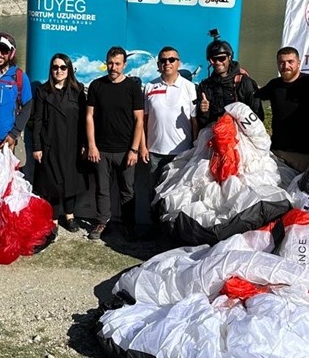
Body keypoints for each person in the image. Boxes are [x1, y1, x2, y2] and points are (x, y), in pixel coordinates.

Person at [85, 46, 144, 241]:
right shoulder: (96, 86)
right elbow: (89, 117)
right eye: (110, 63)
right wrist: (92, 145)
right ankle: (102, 222)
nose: (113, 67)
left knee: (127, 191)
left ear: (124, 65)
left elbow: (139, 121)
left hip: (126, 150)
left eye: (118, 64)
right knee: (102, 189)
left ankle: (129, 226)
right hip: (101, 149)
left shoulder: (133, 88)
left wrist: (134, 149)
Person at [138, 46, 197, 233]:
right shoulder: (149, 87)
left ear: (178, 63)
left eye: (171, 60)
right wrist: (142, 146)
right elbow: (143, 120)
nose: (167, 63)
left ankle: (174, 231)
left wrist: (195, 147)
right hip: (154, 151)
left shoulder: (190, 88)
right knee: (154, 192)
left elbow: (194, 121)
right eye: (163, 60)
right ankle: (154, 228)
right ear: (158, 64)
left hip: (182, 152)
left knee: (178, 194)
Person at [31, 52, 87, 231]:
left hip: (73, 144)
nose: (59, 70)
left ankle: (70, 216)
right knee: (52, 183)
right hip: (50, 144)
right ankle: (54, 218)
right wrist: (37, 146)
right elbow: (37, 120)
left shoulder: (78, 90)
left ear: (69, 69)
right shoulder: (43, 90)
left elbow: (85, 119)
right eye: (55, 67)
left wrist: (85, 143)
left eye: (63, 67)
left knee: (71, 180)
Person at [257, 47, 309, 171]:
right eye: (281, 62)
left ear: (298, 63)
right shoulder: (274, 85)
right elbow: (254, 94)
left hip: (304, 153)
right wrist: (242, 75)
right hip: (277, 151)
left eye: (290, 62)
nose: (286, 66)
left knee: (301, 189)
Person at [195, 34, 261, 131]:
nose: (217, 62)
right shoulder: (205, 86)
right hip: (215, 137)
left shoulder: (244, 82)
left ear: (229, 57)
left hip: (241, 137)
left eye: (221, 58)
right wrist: (203, 111)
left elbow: (258, 116)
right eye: (213, 59)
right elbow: (202, 123)